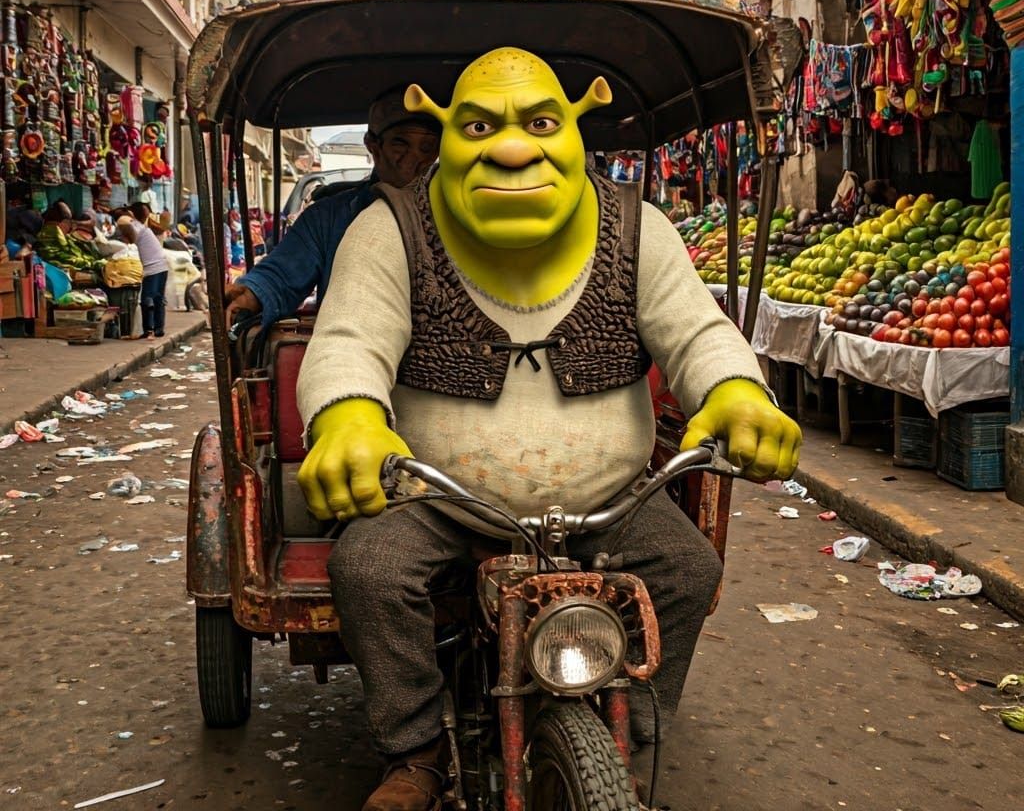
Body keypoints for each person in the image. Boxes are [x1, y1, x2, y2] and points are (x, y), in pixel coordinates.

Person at [294, 48, 802, 811]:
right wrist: (349, 418)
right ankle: (416, 751)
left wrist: (737, 393)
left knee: (688, 570)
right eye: (478, 126)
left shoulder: (639, 228)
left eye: (538, 124)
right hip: (440, 499)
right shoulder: (388, 227)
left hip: (610, 501)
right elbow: (349, 340)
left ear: (574, 130)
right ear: (447, 135)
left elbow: (698, 331)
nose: (510, 150)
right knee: (368, 571)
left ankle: (634, 737)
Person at [224, 88, 441, 329]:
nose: (415, 158)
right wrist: (252, 294)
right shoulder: (327, 218)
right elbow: (283, 274)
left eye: (427, 147)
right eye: (400, 144)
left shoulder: (455, 215)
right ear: (373, 146)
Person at [119, 202, 169, 339]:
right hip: (161, 265)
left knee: (147, 298)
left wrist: (127, 216)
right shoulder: (142, 228)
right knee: (158, 298)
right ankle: (158, 328)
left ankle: (149, 329)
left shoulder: (137, 227)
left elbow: (127, 236)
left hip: (153, 267)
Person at [34, 202, 105, 275]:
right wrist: (95, 264)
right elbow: (65, 259)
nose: (71, 226)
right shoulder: (51, 235)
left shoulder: (54, 234)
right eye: (69, 222)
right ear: (64, 223)